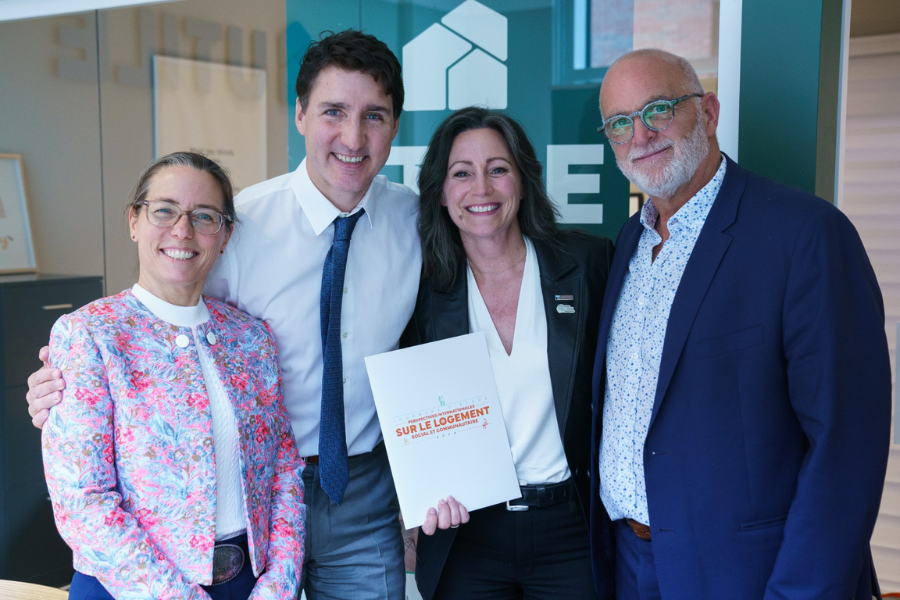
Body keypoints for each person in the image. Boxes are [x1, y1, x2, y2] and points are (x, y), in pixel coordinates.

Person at [29, 30, 417, 599]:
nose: (353, 137)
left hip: (358, 492)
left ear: (395, 126)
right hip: (215, 520)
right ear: (301, 114)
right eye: (334, 111)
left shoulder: (418, 221)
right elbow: (161, 307)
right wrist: (62, 380)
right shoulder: (244, 225)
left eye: (375, 116)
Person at [590, 48, 891, 599]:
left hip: (748, 576)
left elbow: (846, 444)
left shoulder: (805, 235)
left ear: (707, 112)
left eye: (658, 109)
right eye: (620, 123)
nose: (641, 134)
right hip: (630, 567)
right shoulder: (629, 242)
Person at [41, 152, 305, 600]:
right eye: (164, 210)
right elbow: (82, 499)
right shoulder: (90, 334)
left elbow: (283, 474)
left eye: (204, 216)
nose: (182, 230)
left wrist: (278, 588)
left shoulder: (252, 338)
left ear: (225, 236)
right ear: (134, 222)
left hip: (248, 584)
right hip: (127, 588)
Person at [402, 107, 614, 600]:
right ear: (440, 191)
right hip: (467, 536)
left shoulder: (588, 265)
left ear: (523, 179)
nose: (482, 189)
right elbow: (408, 416)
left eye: (498, 168)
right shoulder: (420, 292)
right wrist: (419, 498)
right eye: (462, 174)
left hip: (571, 529)